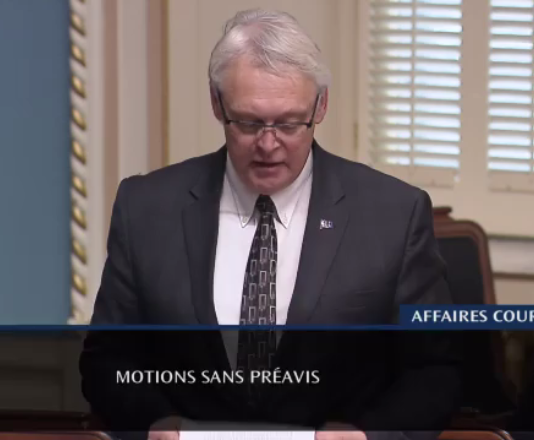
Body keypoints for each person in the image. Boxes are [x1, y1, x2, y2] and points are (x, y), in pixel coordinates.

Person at [79, 8, 462, 440]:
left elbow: (435, 372)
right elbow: (105, 362)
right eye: (248, 123)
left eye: (289, 123)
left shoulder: (394, 214)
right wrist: (156, 423)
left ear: (321, 105)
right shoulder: (146, 208)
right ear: (216, 103)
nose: (267, 144)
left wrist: (368, 435)